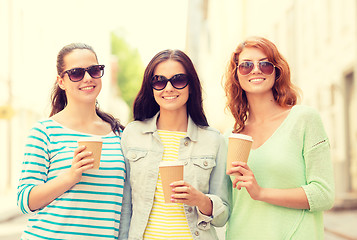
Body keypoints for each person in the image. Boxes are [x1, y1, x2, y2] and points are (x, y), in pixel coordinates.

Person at [223, 36, 335, 239]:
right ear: (236, 75)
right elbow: (224, 206)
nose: (255, 70)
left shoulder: (304, 120)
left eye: (265, 64)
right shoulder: (229, 138)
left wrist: (261, 193)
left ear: (277, 71)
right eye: (246, 65)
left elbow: (324, 195)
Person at [17, 43, 128, 239]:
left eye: (94, 70)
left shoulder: (119, 135)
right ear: (61, 81)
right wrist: (70, 176)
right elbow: (25, 200)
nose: (87, 78)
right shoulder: (44, 131)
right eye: (76, 73)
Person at [119, 49, 230, 239]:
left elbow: (223, 216)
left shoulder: (214, 140)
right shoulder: (133, 134)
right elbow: (125, 206)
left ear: (191, 85)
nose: (168, 88)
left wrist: (201, 200)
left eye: (178, 80)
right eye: (159, 81)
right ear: (151, 87)